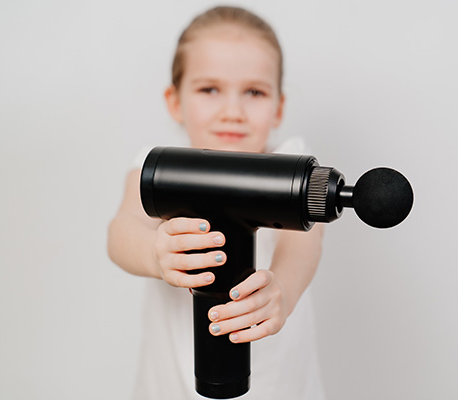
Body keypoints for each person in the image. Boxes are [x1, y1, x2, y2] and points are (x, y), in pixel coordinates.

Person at [108, 6, 326, 399]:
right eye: (210, 89)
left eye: (254, 92)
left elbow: (304, 243)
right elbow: (121, 233)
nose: (233, 112)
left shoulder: (291, 169)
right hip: (170, 387)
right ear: (175, 101)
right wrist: (156, 254)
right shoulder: (156, 172)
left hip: (277, 386)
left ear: (278, 107)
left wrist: (283, 292)